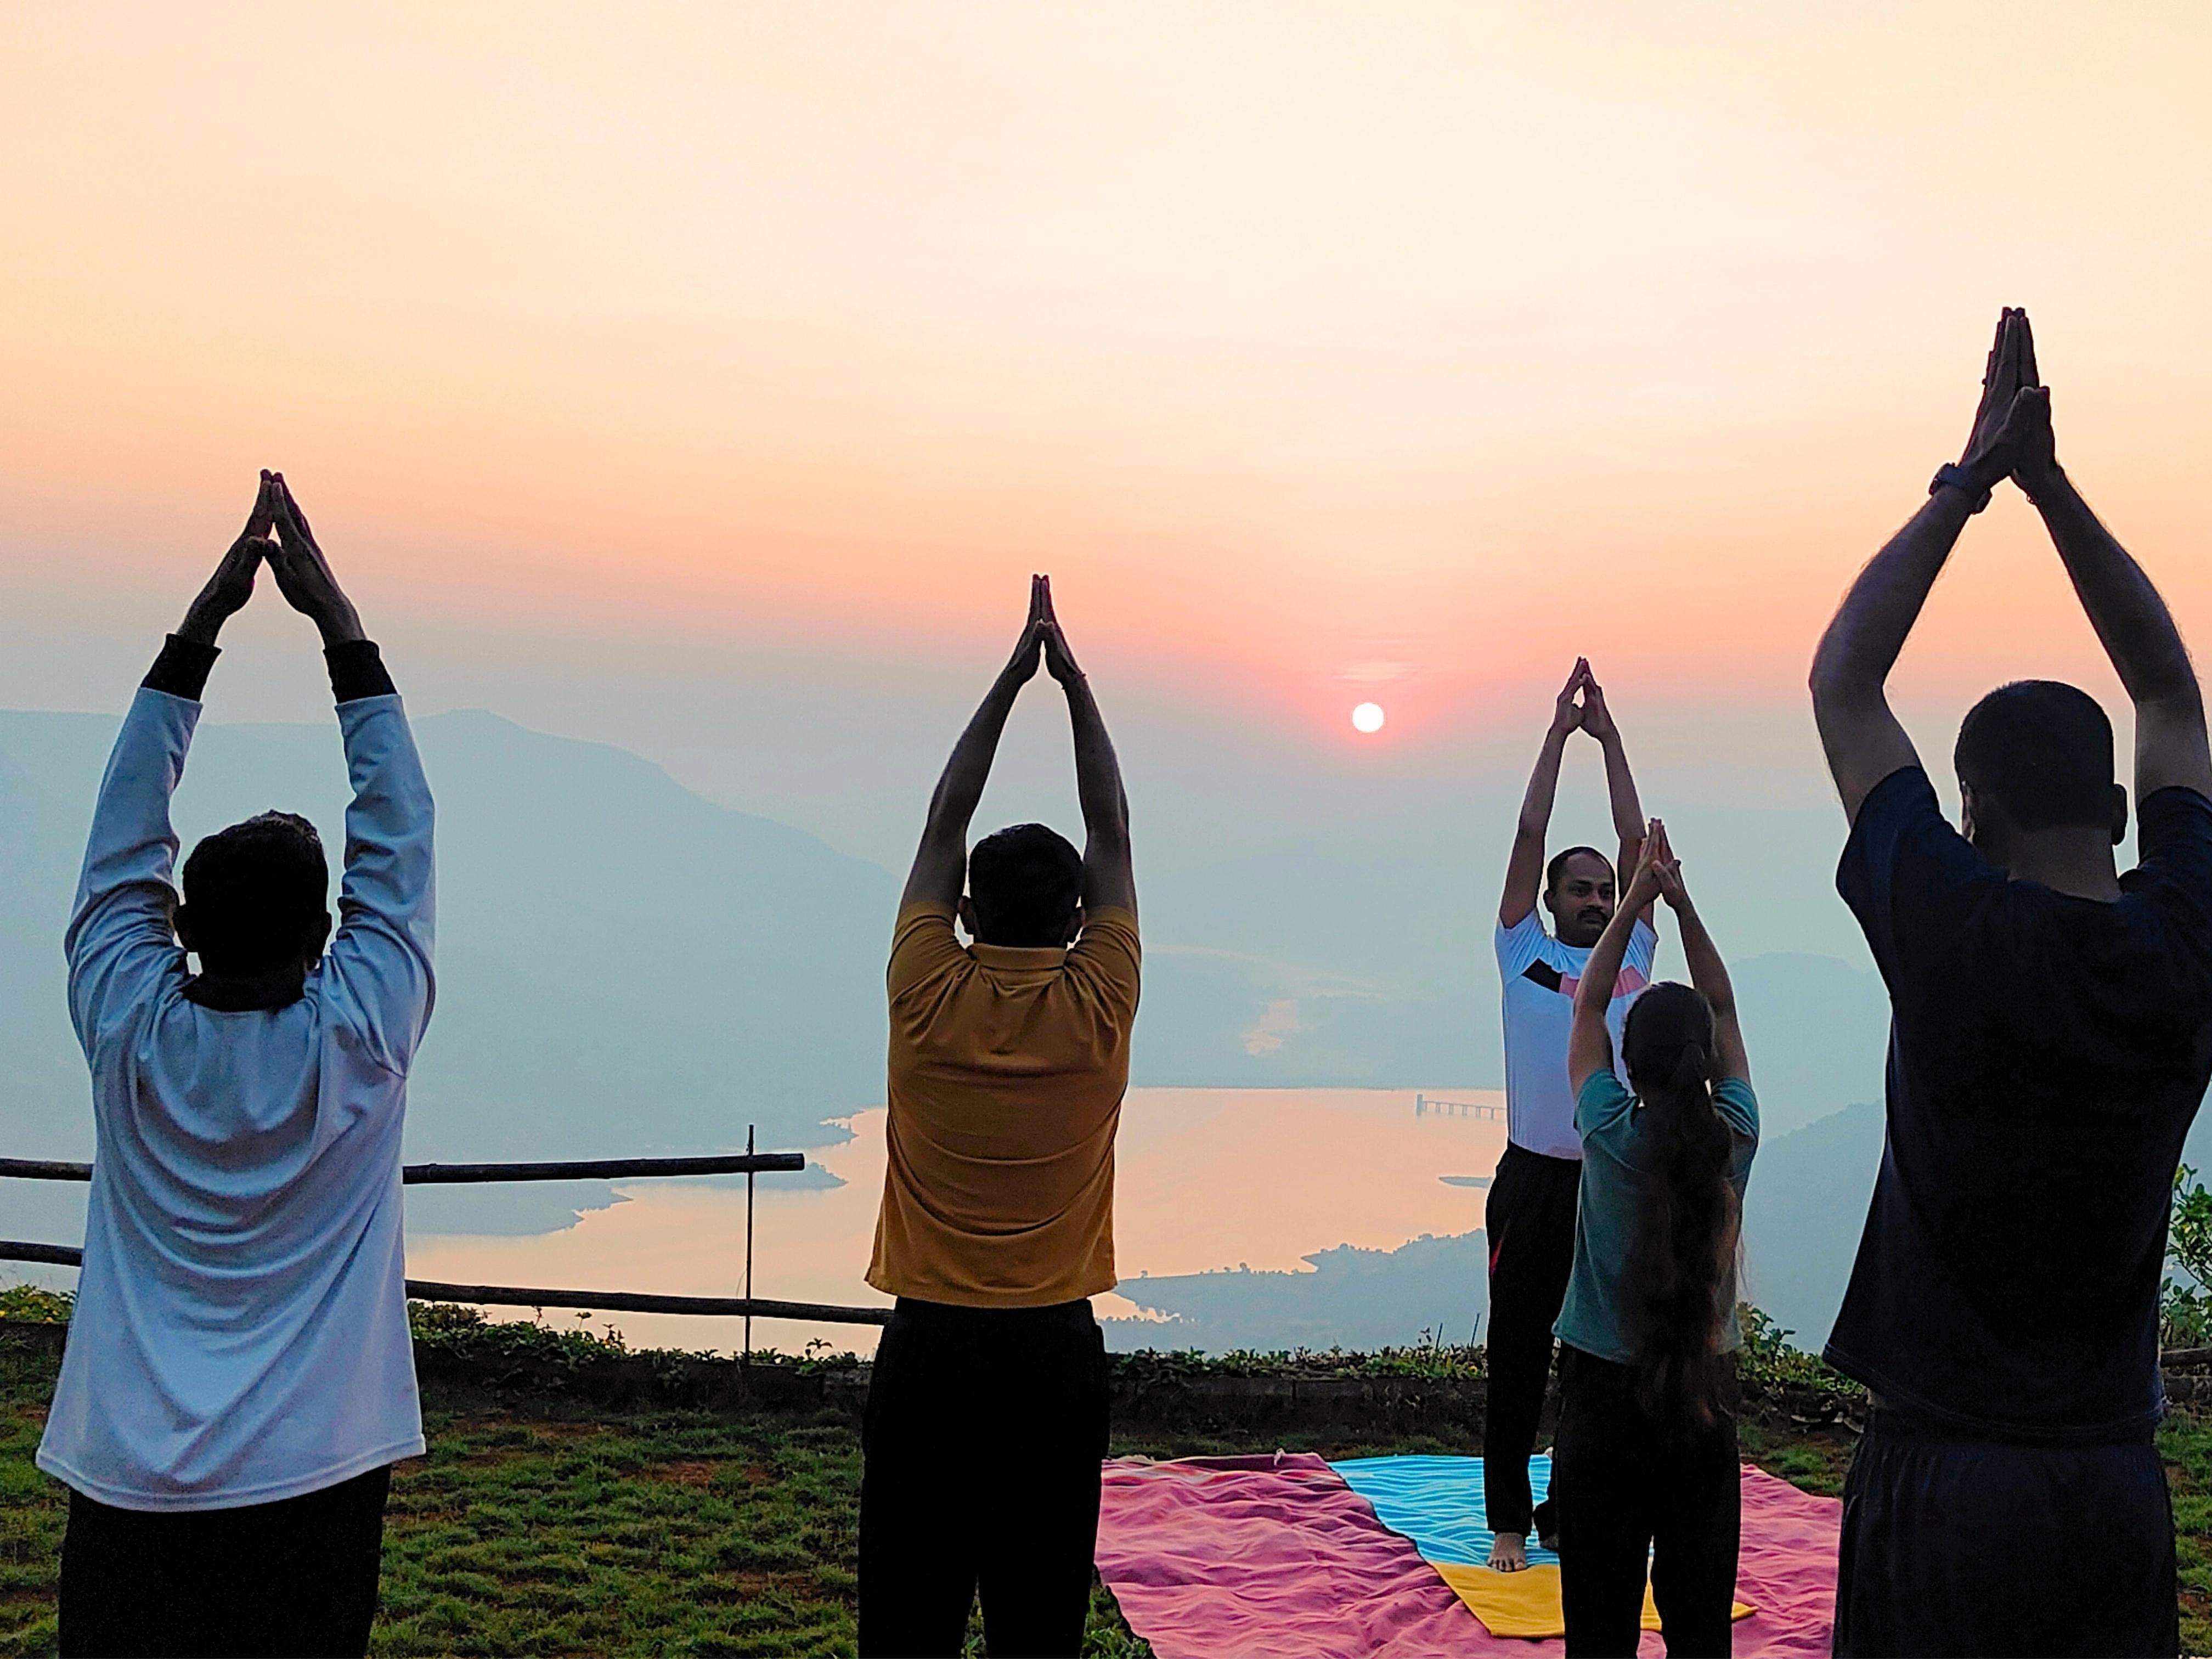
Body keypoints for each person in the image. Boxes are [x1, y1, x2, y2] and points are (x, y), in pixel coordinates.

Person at [1809, 308, 2212, 1657]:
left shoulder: (1953, 927)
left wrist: (1973, 479)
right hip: (2110, 1483)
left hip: (1946, 1480)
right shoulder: (2186, 944)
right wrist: (2054, 486)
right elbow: (2168, 687)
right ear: (2116, 804)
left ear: (1971, 815)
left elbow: (1845, 677)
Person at [37, 474, 433, 1659]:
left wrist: (197, 633)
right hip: (316, 1481)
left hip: (127, 1488)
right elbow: (400, 830)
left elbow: (119, 838)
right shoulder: (360, 1039)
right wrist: (341, 629)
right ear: (324, 941)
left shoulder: (128, 1034)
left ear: (181, 929)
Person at [857, 574, 1139, 1658]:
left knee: (908, 1625)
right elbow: (1111, 822)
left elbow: (944, 819)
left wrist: (1009, 679)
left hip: (929, 1352)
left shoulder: (926, 989)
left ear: (967, 913)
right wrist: (1071, 684)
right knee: (1037, 1626)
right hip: (1052, 1360)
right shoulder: (1098, 1002)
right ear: (1076, 919)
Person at [1555, 821, 1758, 1657]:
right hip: (1704, 1400)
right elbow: (1725, 1003)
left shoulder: (1606, 1130)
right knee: (1699, 1623)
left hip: (1602, 1402)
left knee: (1599, 1628)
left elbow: (1590, 1001)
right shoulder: (1733, 1138)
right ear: (1706, 1065)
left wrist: (1634, 901)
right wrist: (1681, 902)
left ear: (1628, 1067)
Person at [1485, 658, 1654, 1571]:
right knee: (1516, 1348)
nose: (1595, 900)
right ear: (1550, 901)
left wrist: (1613, 740)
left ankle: (1576, 1504)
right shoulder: (1523, 954)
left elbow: (1640, 847)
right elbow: (1528, 828)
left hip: (1611, 1179)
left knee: (1601, 1358)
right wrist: (1557, 737)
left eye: (1604, 891)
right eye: (1579, 890)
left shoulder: (1636, 959)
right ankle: (1509, 1517)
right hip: (1532, 1183)